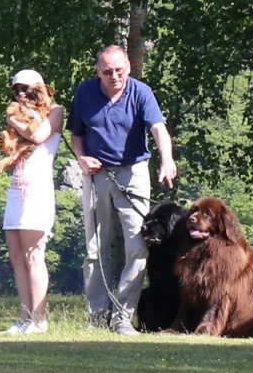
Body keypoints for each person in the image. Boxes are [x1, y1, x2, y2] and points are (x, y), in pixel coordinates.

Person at [67, 45, 177, 336]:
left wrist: (167, 159)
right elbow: (76, 135)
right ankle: (97, 317)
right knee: (95, 248)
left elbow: (158, 129)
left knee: (138, 245)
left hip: (134, 173)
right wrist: (81, 158)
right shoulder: (85, 92)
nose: (114, 76)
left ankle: (122, 318)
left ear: (128, 66)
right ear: (97, 71)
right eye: (107, 71)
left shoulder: (141, 92)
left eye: (119, 70)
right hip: (97, 173)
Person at [2, 69, 63, 335]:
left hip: (37, 189)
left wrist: (11, 119)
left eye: (26, 89)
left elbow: (38, 136)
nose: (22, 95)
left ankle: (39, 319)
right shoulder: (19, 115)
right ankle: (24, 317)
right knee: (16, 256)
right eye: (17, 90)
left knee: (33, 254)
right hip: (17, 187)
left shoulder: (55, 111)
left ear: (39, 87)